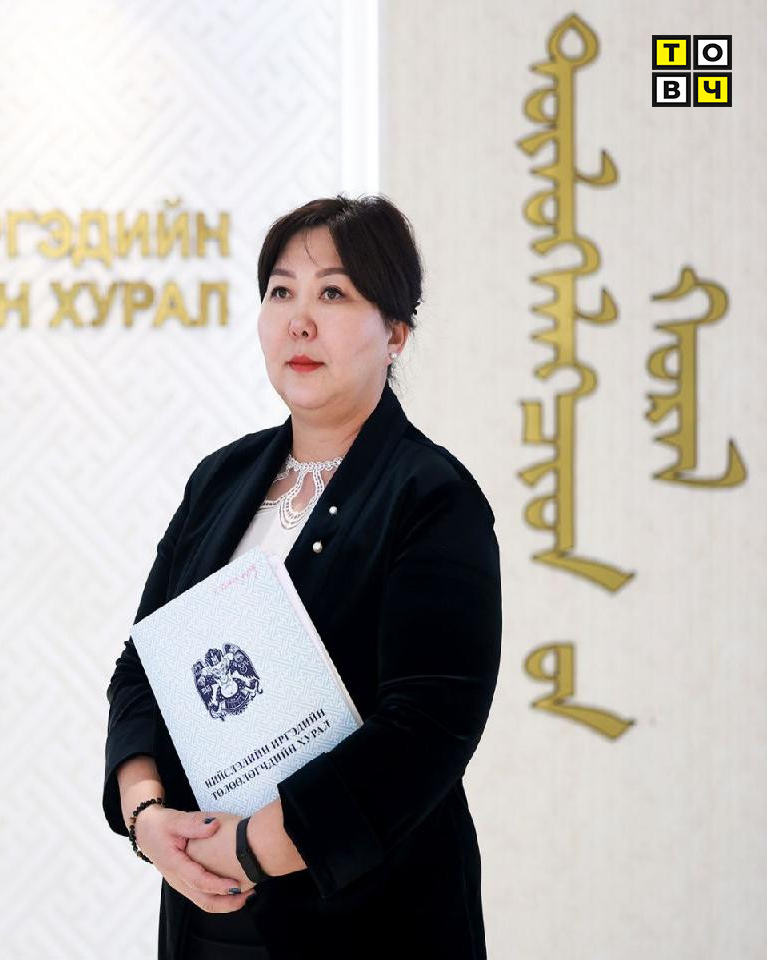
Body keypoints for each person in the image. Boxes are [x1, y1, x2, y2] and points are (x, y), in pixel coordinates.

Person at [102, 195, 503, 959]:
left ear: (396, 333)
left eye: (334, 293)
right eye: (281, 291)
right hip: (212, 920)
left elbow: (427, 729)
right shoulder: (220, 481)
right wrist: (148, 816)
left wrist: (252, 846)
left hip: (374, 921)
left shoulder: (432, 495)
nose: (299, 321)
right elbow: (143, 667)